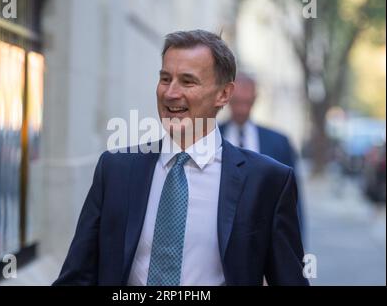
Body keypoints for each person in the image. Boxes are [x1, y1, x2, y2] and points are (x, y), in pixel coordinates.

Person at [54, 30, 308, 286]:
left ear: (223, 94)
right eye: (165, 79)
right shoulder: (115, 170)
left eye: (187, 82)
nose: (171, 93)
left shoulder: (267, 181)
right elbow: (78, 276)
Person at [219, 74, 305, 234]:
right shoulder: (210, 136)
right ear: (227, 98)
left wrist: (298, 242)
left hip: (264, 231)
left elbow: (292, 196)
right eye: (237, 102)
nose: (241, 109)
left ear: (255, 100)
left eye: (247, 102)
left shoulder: (279, 142)